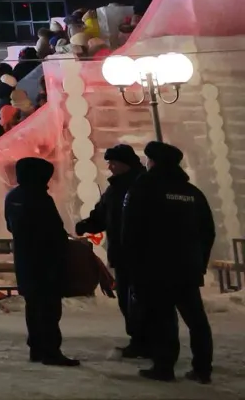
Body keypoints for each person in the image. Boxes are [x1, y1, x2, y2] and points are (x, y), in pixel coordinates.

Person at [124, 140, 215, 384]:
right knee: (196, 319)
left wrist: (133, 265)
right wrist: (199, 262)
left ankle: (164, 367)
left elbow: (131, 228)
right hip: (187, 268)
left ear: (152, 162)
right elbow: (208, 231)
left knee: (162, 319)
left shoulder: (143, 188)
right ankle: (203, 369)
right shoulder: (191, 193)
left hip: (154, 268)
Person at [4, 157, 77, 366]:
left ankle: (36, 348)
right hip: (46, 262)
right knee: (49, 309)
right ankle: (51, 351)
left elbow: (11, 226)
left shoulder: (13, 197)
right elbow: (54, 231)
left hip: (25, 260)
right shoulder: (39, 198)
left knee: (33, 307)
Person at [75, 143, 142, 356]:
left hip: (141, 254)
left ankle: (150, 341)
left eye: (114, 163)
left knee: (141, 300)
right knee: (126, 299)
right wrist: (88, 224)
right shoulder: (114, 189)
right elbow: (104, 215)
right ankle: (138, 340)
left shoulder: (141, 186)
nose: (110, 167)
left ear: (126, 164)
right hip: (122, 254)